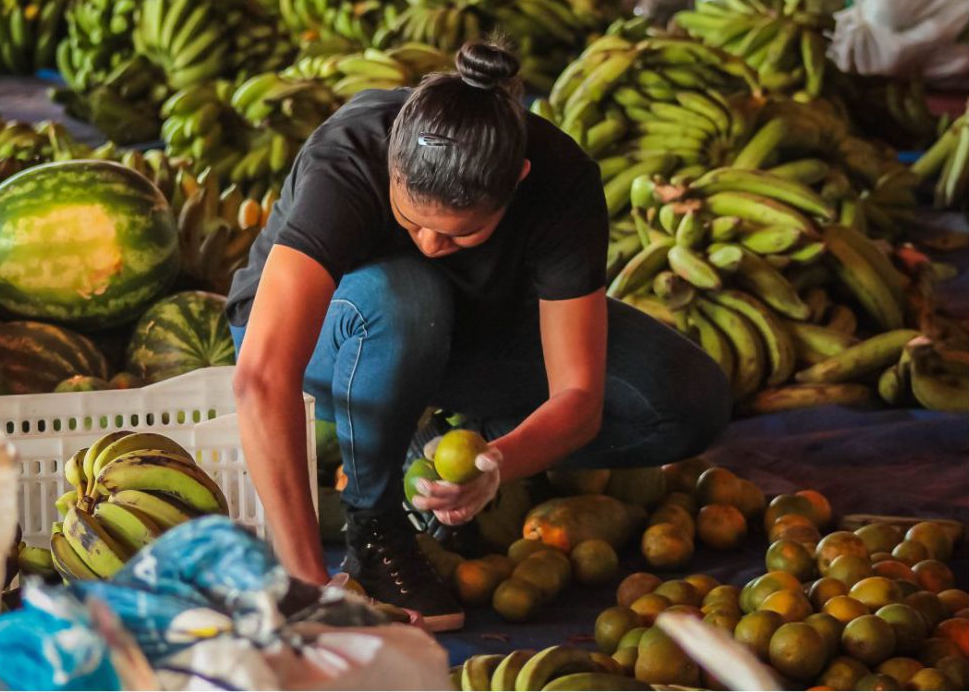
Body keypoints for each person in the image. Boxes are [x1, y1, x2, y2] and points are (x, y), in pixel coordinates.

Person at [227, 38, 731, 632]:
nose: (430, 244)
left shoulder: (559, 182)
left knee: (686, 400)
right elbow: (262, 378)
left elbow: (578, 397)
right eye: (412, 221)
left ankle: (431, 439)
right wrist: (308, 583)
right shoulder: (351, 155)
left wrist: (497, 462)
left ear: (515, 180)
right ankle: (374, 520)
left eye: (459, 236)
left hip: (466, 334)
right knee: (407, 294)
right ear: (392, 162)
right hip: (330, 339)